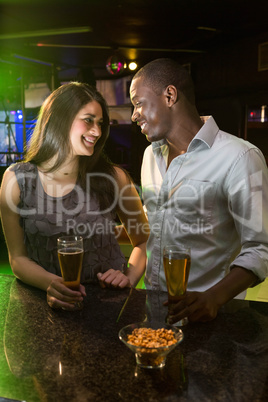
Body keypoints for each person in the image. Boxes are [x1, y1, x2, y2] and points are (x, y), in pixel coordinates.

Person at [130, 58, 268, 323]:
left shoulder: (240, 157)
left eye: (138, 103)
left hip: (214, 317)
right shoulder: (150, 155)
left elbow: (260, 248)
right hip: (156, 313)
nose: (134, 115)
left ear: (170, 95)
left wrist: (215, 297)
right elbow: (157, 223)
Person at [0, 82, 148, 310]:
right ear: (59, 119)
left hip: (110, 306)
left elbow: (142, 240)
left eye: (100, 123)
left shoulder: (114, 178)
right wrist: (52, 284)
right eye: (88, 120)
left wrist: (129, 277)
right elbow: (17, 259)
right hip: (42, 307)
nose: (97, 132)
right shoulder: (17, 180)